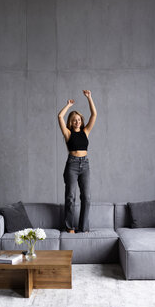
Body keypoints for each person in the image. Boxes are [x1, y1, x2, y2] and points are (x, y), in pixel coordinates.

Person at [57, 90, 97, 233]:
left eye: (79, 119)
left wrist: (89, 98)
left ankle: (84, 227)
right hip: (72, 165)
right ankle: (69, 227)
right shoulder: (68, 133)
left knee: (86, 197)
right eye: (74, 120)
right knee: (70, 197)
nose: (77, 121)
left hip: (85, 164)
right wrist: (68, 105)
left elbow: (94, 115)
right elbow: (60, 116)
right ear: (71, 122)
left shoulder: (86, 131)